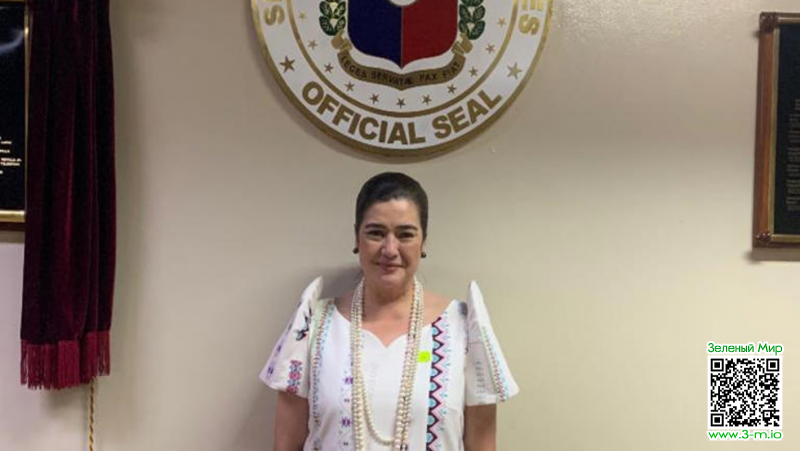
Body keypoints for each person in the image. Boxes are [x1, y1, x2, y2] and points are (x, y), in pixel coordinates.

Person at [260, 172, 518, 450]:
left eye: (405, 234)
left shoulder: (463, 328)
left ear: (423, 241)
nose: (390, 249)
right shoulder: (312, 325)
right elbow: (286, 444)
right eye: (376, 233)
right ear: (357, 237)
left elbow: (482, 442)